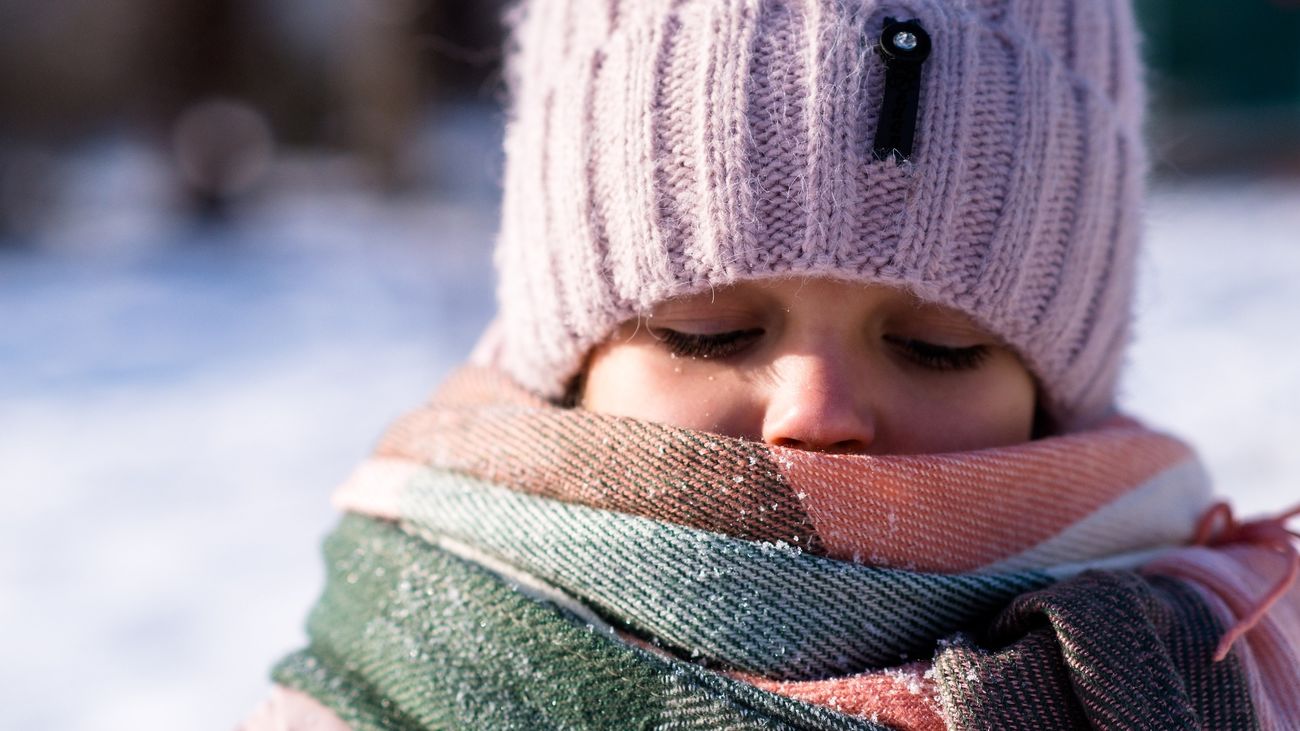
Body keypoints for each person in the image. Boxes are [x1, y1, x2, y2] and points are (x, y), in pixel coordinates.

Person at [244, 0, 1300, 728]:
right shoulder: (385, 687)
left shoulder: (1223, 664)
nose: (817, 411)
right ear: (568, 364)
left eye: (939, 346)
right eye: (708, 330)